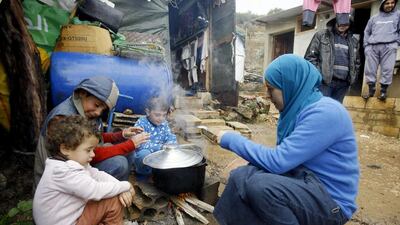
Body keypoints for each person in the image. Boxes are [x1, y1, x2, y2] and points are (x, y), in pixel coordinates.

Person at [214, 54, 359, 225]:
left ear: (289, 84)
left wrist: (232, 139)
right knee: (241, 174)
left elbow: (278, 161)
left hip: (330, 201)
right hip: (303, 180)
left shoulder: (326, 113)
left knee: (261, 186)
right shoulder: (297, 110)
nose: (267, 96)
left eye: (271, 89)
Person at [34, 76, 150, 187]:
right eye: (97, 105)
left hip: (80, 162)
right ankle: (101, 199)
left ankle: (119, 192)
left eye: (102, 109)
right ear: (83, 93)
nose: (98, 112)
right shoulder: (63, 117)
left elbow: (93, 138)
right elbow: (89, 153)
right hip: (60, 180)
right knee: (119, 163)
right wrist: (130, 144)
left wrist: (121, 135)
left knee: (128, 151)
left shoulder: (84, 110)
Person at [33, 115, 135, 225]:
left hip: (66, 217)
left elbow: (96, 174)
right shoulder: (62, 171)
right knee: (112, 201)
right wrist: (126, 186)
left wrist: (119, 185)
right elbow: (95, 190)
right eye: (88, 150)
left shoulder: (66, 163)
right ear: (65, 149)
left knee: (109, 193)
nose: (93, 154)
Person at [305, 17, 360, 103]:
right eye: (340, 22)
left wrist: (353, 77)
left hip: (343, 84)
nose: (342, 25)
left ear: (350, 25)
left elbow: (357, 62)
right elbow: (310, 57)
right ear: (335, 21)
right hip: (325, 82)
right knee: (322, 108)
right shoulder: (321, 35)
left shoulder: (354, 41)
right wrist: (319, 75)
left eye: (346, 23)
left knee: (335, 110)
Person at [363, 0, 400, 101]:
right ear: (382, 4)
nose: (390, 5)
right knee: (370, 69)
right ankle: (371, 90)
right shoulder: (374, 18)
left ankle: (383, 91)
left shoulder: (398, 15)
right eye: (387, 3)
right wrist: (366, 46)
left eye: (392, 3)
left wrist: (396, 43)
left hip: (389, 46)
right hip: (372, 46)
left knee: (387, 69)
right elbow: (367, 31)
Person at [132, 96, 177, 177]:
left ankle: (160, 172)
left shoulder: (164, 123)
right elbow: (141, 144)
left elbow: (169, 136)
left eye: (164, 115)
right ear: (148, 112)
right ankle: (143, 173)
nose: (161, 118)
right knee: (143, 154)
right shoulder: (141, 123)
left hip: (160, 152)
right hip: (146, 153)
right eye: (157, 115)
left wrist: (172, 144)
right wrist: (160, 147)